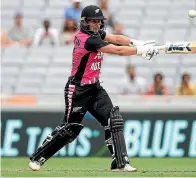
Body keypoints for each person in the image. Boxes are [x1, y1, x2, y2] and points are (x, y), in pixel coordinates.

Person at [28, 5, 159, 172]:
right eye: (93, 21)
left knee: (114, 119)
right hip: (77, 91)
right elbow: (117, 50)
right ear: (84, 22)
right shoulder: (88, 40)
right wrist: (140, 51)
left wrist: (137, 42)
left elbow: (118, 39)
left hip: (95, 88)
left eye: (99, 21)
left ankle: (120, 162)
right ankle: (38, 157)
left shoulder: (96, 34)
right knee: (69, 130)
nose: (97, 24)